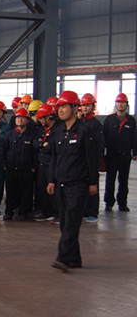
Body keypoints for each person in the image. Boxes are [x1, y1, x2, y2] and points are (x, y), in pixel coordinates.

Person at [48, 91, 99, 272]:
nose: (60, 110)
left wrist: (93, 182)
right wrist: (51, 180)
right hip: (61, 183)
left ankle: (63, 258)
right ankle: (75, 258)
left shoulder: (85, 131)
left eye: (64, 106)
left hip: (78, 184)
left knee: (71, 221)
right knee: (65, 222)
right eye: (59, 107)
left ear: (74, 108)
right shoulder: (59, 131)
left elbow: (92, 159)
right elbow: (54, 158)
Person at [102, 93, 137, 212]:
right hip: (111, 155)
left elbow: (134, 137)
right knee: (110, 180)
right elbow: (103, 136)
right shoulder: (109, 120)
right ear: (116, 104)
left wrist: (135, 152)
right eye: (119, 102)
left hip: (125, 155)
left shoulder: (131, 121)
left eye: (123, 102)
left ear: (126, 105)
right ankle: (109, 203)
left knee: (123, 180)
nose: (121, 104)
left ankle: (122, 203)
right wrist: (102, 152)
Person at [2, 107, 37, 221]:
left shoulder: (32, 136)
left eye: (23, 118)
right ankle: (9, 212)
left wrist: (33, 167)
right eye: (18, 118)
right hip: (11, 169)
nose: (20, 120)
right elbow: (4, 151)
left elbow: (35, 152)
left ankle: (23, 212)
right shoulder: (10, 135)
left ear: (27, 120)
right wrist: (4, 165)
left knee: (26, 192)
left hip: (26, 170)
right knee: (11, 191)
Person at [33, 103, 60, 222]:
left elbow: (52, 147)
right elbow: (34, 143)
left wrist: (42, 146)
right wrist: (42, 144)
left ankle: (57, 213)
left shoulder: (58, 130)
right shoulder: (42, 130)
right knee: (42, 189)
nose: (39, 121)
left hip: (52, 165)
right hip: (42, 164)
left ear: (48, 117)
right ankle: (45, 212)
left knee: (53, 190)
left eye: (41, 118)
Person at [81, 93, 104, 222]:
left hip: (92, 159)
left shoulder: (96, 124)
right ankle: (84, 210)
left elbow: (99, 144)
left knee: (93, 184)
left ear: (92, 106)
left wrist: (97, 159)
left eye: (87, 105)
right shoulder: (80, 122)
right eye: (83, 105)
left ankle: (93, 212)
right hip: (81, 160)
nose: (85, 108)